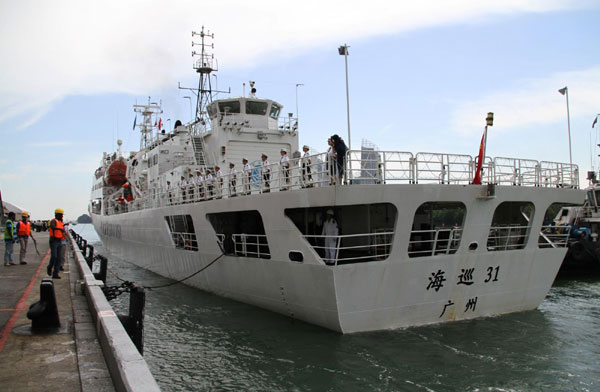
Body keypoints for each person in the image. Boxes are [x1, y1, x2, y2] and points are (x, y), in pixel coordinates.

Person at [48, 208, 65, 278]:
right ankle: (49, 267)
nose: (62, 216)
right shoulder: (53, 221)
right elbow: (53, 227)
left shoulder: (61, 222)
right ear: (57, 215)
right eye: (61, 215)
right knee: (54, 256)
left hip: (59, 241)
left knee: (59, 258)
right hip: (54, 241)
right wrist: (60, 229)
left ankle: (55, 273)